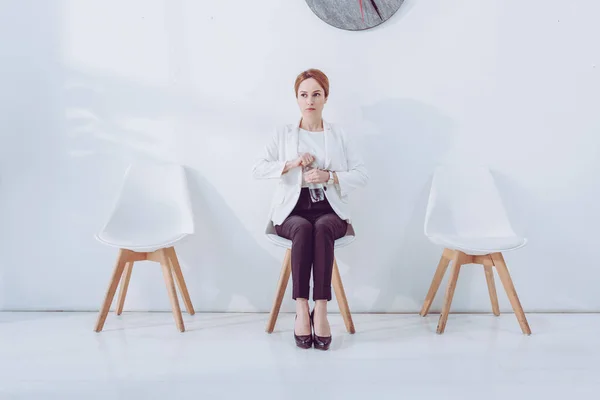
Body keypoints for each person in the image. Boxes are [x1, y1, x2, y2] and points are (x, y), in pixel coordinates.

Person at [252, 69, 368, 350]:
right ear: (297, 99)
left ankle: (322, 308)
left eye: (316, 94)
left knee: (323, 228)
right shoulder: (284, 134)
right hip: (292, 211)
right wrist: (291, 164)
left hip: (330, 208)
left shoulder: (338, 134)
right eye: (304, 95)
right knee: (303, 229)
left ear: (326, 97)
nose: (310, 100)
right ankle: (302, 309)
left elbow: (362, 174)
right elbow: (258, 169)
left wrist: (331, 176)